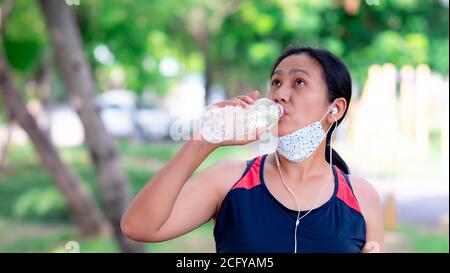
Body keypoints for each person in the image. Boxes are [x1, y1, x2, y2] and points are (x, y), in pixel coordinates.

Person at [121, 45, 385, 253]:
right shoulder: (229, 180)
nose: (280, 94)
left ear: (335, 109)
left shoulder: (360, 196)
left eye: (299, 83)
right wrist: (203, 141)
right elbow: (138, 226)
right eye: (276, 82)